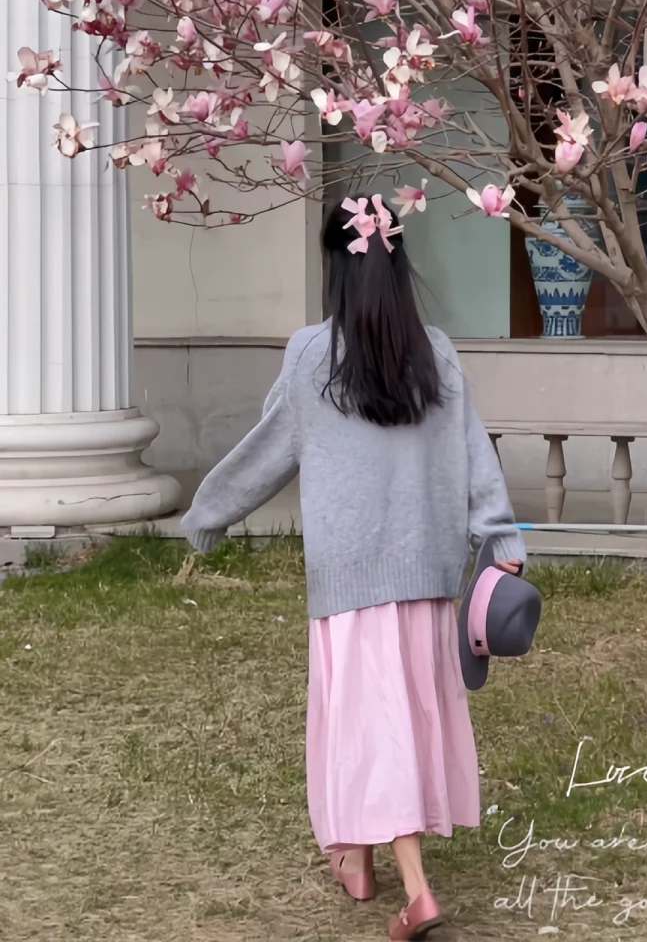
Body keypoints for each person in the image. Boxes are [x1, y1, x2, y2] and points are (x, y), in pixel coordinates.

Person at [181, 196, 527, 940]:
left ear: (334, 267)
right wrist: (498, 534)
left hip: (349, 583)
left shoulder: (312, 354)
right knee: (394, 718)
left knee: (370, 727)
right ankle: (357, 859)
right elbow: (476, 451)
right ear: (398, 263)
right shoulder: (435, 350)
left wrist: (207, 513)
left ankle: (416, 891)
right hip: (427, 577)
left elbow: (267, 451)